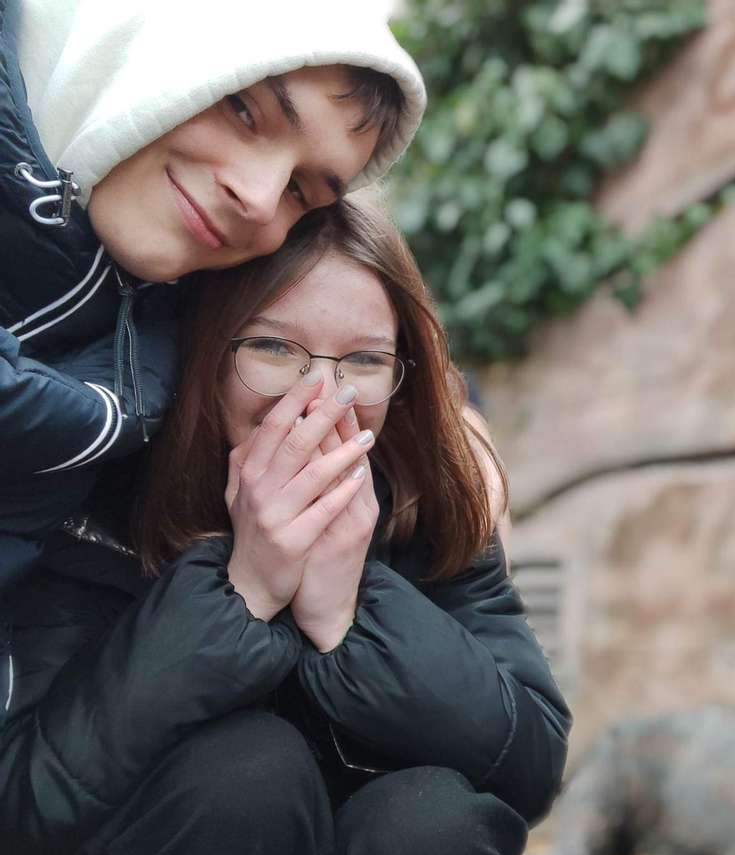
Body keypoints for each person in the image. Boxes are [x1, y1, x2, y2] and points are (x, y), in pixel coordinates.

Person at [1, 193, 571, 855]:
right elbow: (24, 810)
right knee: (244, 775)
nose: (320, 397)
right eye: (273, 348)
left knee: (430, 826)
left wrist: (349, 618)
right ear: (205, 352)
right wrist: (243, 593)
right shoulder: (95, 497)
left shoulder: (424, 498)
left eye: (364, 360)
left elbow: (530, 767)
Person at [0, 0, 427, 690]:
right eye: (243, 109)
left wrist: (444, 418)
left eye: (300, 192)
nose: (260, 201)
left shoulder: (160, 313)